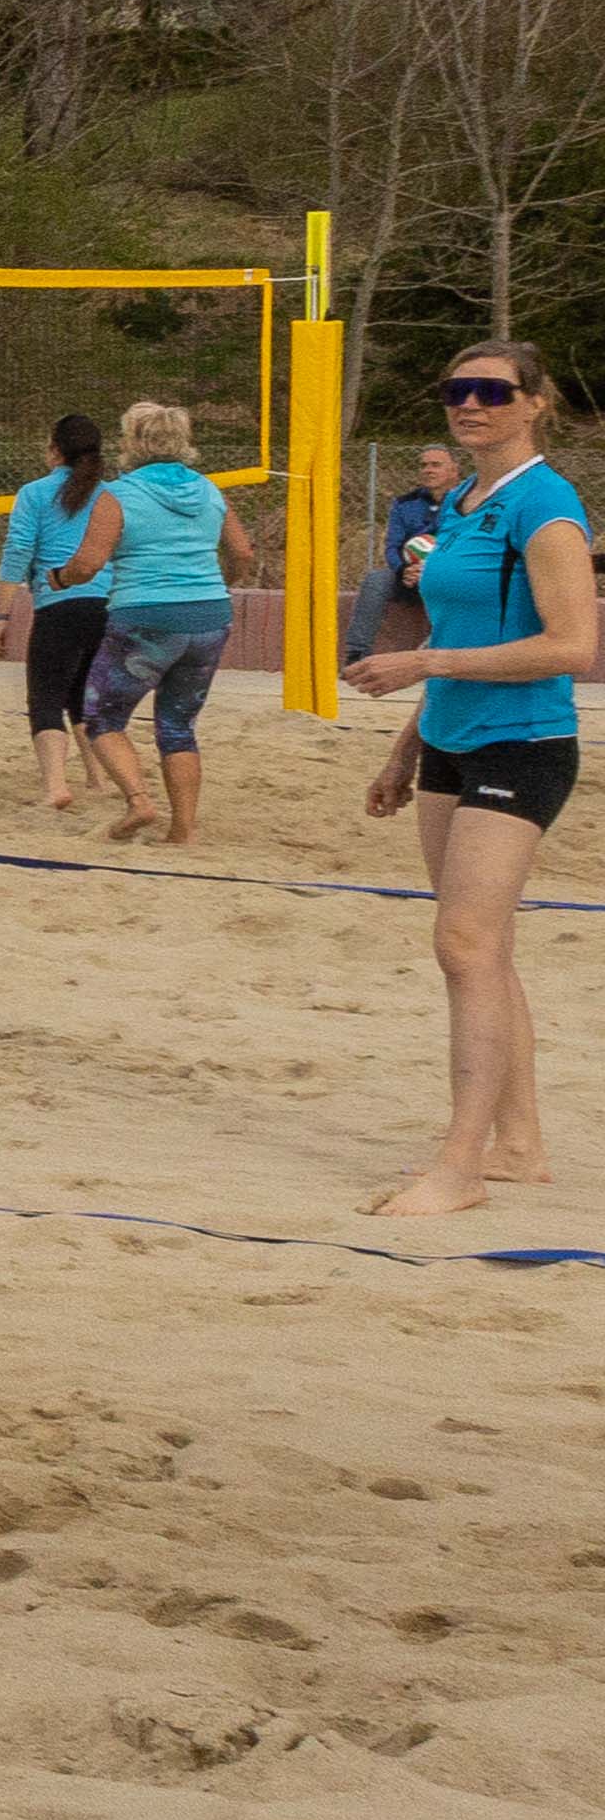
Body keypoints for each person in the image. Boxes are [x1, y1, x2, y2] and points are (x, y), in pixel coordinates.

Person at [349, 337, 596, 1220]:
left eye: (493, 390)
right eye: (457, 389)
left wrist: (425, 661)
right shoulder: (460, 497)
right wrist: (407, 749)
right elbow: (461, 630)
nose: (471, 403)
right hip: (450, 740)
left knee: (462, 945)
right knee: (480, 949)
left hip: (523, 745)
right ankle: (518, 1142)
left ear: (535, 402)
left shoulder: (548, 505)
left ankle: (458, 1170)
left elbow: (573, 646)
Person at [51, 399, 234, 845]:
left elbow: (89, 564)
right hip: (210, 613)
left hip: (147, 615)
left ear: (133, 442)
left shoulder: (121, 494)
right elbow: (242, 553)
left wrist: (58, 578)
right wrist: (212, 583)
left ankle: (138, 801)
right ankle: (183, 832)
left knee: (102, 716)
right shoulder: (210, 490)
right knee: (178, 725)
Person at [0, 412, 111, 815]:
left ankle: (56, 787)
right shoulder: (110, 494)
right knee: (84, 697)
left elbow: (18, 552)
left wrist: (1, 614)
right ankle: (97, 778)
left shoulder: (34, 493)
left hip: (59, 602)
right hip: (106, 605)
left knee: (45, 697)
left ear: (55, 450)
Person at [365, 440, 457, 676]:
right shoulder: (404, 503)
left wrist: (434, 568)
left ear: (453, 470)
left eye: (436, 465)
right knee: (375, 580)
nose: (428, 470)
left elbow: (465, 543)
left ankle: (442, 649)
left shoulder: (469, 501)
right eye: (424, 465)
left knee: (461, 583)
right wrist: (403, 570)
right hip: (408, 574)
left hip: (448, 571)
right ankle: (358, 653)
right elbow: (392, 546)